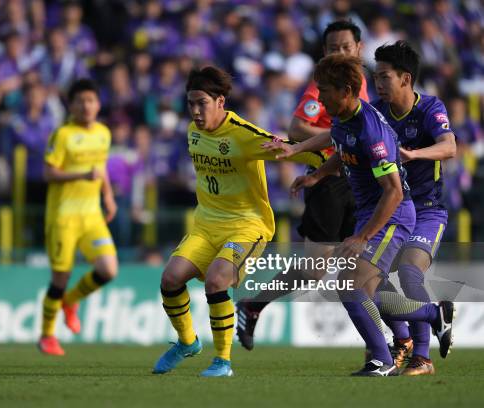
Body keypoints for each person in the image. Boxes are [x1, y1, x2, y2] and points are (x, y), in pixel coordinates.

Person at [236, 21, 411, 367]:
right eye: (333, 48)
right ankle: (254, 303)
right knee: (319, 269)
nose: (339, 53)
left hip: (357, 182)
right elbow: (297, 127)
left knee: (367, 269)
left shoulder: (364, 88)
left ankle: (390, 347)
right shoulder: (325, 89)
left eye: (345, 47)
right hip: (330, 183)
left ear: (359, 49)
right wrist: (320, 153)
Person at [288, 54, 453, 376]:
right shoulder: (345, 118)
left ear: (347, 90)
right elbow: (342, 147)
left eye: (324, 91)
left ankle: (383, 359)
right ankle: (433, 316)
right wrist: (316, 175)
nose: (319, 98)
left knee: (350, 285)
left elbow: (393, 191)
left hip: (392, 215)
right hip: (372, 214)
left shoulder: (371, 128)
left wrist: (361, 237)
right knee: (366, 291)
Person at [152, 66, 323, 377]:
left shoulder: (243, 134)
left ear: (220, 101)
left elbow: (289, 149)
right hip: (206, 225)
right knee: (170, 279)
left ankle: (222, 361)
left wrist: (330, 163)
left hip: (248, 225)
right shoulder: (193, 133)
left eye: (201, 103)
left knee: (218, 280)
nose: (195, 111)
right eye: (190, 103)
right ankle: (187, 342)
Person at [372, 41, 456, 375]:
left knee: (408, 272)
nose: (378, 84)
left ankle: (423, 357)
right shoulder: (376, 113)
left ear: (405, 78)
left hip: (428, 210)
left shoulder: (430, 108)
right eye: (375, 77)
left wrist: (414, 154)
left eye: (384, 77)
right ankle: (404, 339)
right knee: (370, 281)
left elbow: (449, 146)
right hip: (392, 209)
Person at [38, 79, 118, 356]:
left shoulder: (103, 133)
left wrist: (107, 196)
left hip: (92, 215)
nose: (86, 106)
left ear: (98, 104)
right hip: (63, 218)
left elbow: (101, 167)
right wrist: (81, 175)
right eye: (80, 101)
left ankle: (71, 301)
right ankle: (47, 335)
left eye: (91, 100)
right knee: (60, 277)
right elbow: (48, 173)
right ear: (71, 105)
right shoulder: (62, 135)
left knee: (108, 269)